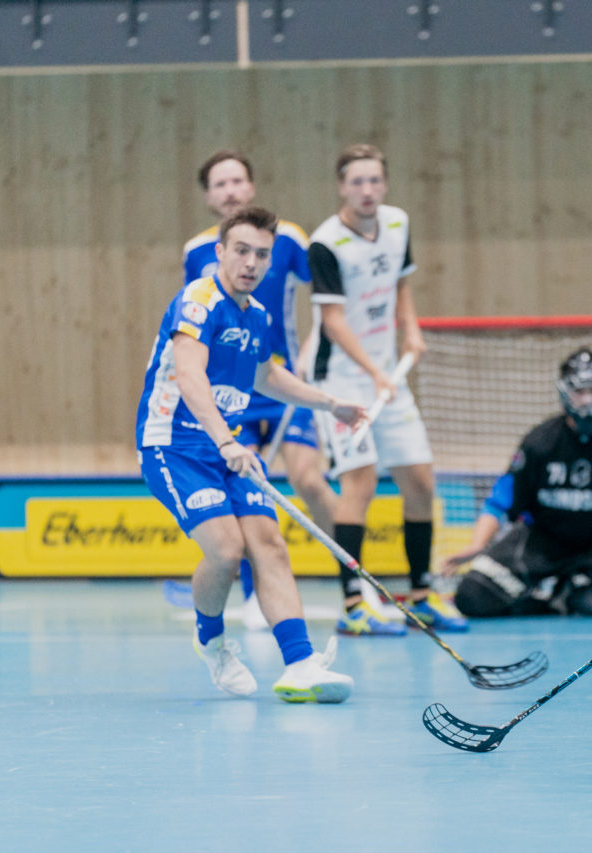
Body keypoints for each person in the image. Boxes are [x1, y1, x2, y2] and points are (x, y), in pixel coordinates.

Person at [137, 206, 361, 702]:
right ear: (220, 252)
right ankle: (211, 641)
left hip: (226, 447)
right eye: (241, 251)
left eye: (262, 254)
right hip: (174, 446)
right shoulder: (198, 300)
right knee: (225, 548)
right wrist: (227, 441)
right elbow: (191, 375)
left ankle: (300, 664)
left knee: (269, 542)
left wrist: (330, 403)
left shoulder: (256, 314)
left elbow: (266, 376)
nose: (252, 263)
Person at [307, 143, 467, 635]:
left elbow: (401, 283)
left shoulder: (396, 222)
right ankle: (354, 605)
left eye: (375, 180)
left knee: (419, 481)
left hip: (385, 372)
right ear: (341, 187)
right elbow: (331, 321)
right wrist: (372, 372)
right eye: (357, 181)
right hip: (342, 379)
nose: (367, 190)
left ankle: (420, 595)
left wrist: (410, 329)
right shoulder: (325, 243)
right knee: (361, 482)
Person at [181, 150, 338, 632]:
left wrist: (314, 352)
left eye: (237, 181)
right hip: (235, 395)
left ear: (251, 188)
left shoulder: (287, 239)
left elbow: (328, 295)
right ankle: (253, 598)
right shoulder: (196, 253)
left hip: (285, 382)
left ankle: (355, 582)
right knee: (248, 487)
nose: (229, 190)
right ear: (209, 196)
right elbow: (199, 329)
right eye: (219, 184)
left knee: (309, 480)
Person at [442, 349, 592, 616]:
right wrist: (478, 545)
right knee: (472, 596)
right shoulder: (538, 443)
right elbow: (500, 502)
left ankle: (574, 594)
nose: (587, 400)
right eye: (579, 392)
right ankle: (542, 598)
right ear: (564, 393)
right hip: (541, 543)